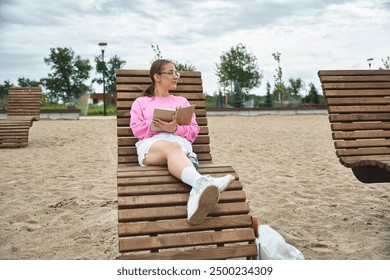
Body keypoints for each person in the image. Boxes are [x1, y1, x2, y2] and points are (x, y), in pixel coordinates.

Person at [130, 59, 235, 225]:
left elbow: (193, 131)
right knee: (173, 146)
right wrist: (158, 124)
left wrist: (174, 129)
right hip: (152, 149)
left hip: (180, 150)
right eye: (170, 73)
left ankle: (195, 197)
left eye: (176, 73)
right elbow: (137, 130)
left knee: (176, 146)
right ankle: (202, 182)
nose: (175, 77)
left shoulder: (182, 102)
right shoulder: (141, 102)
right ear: (156, 77)